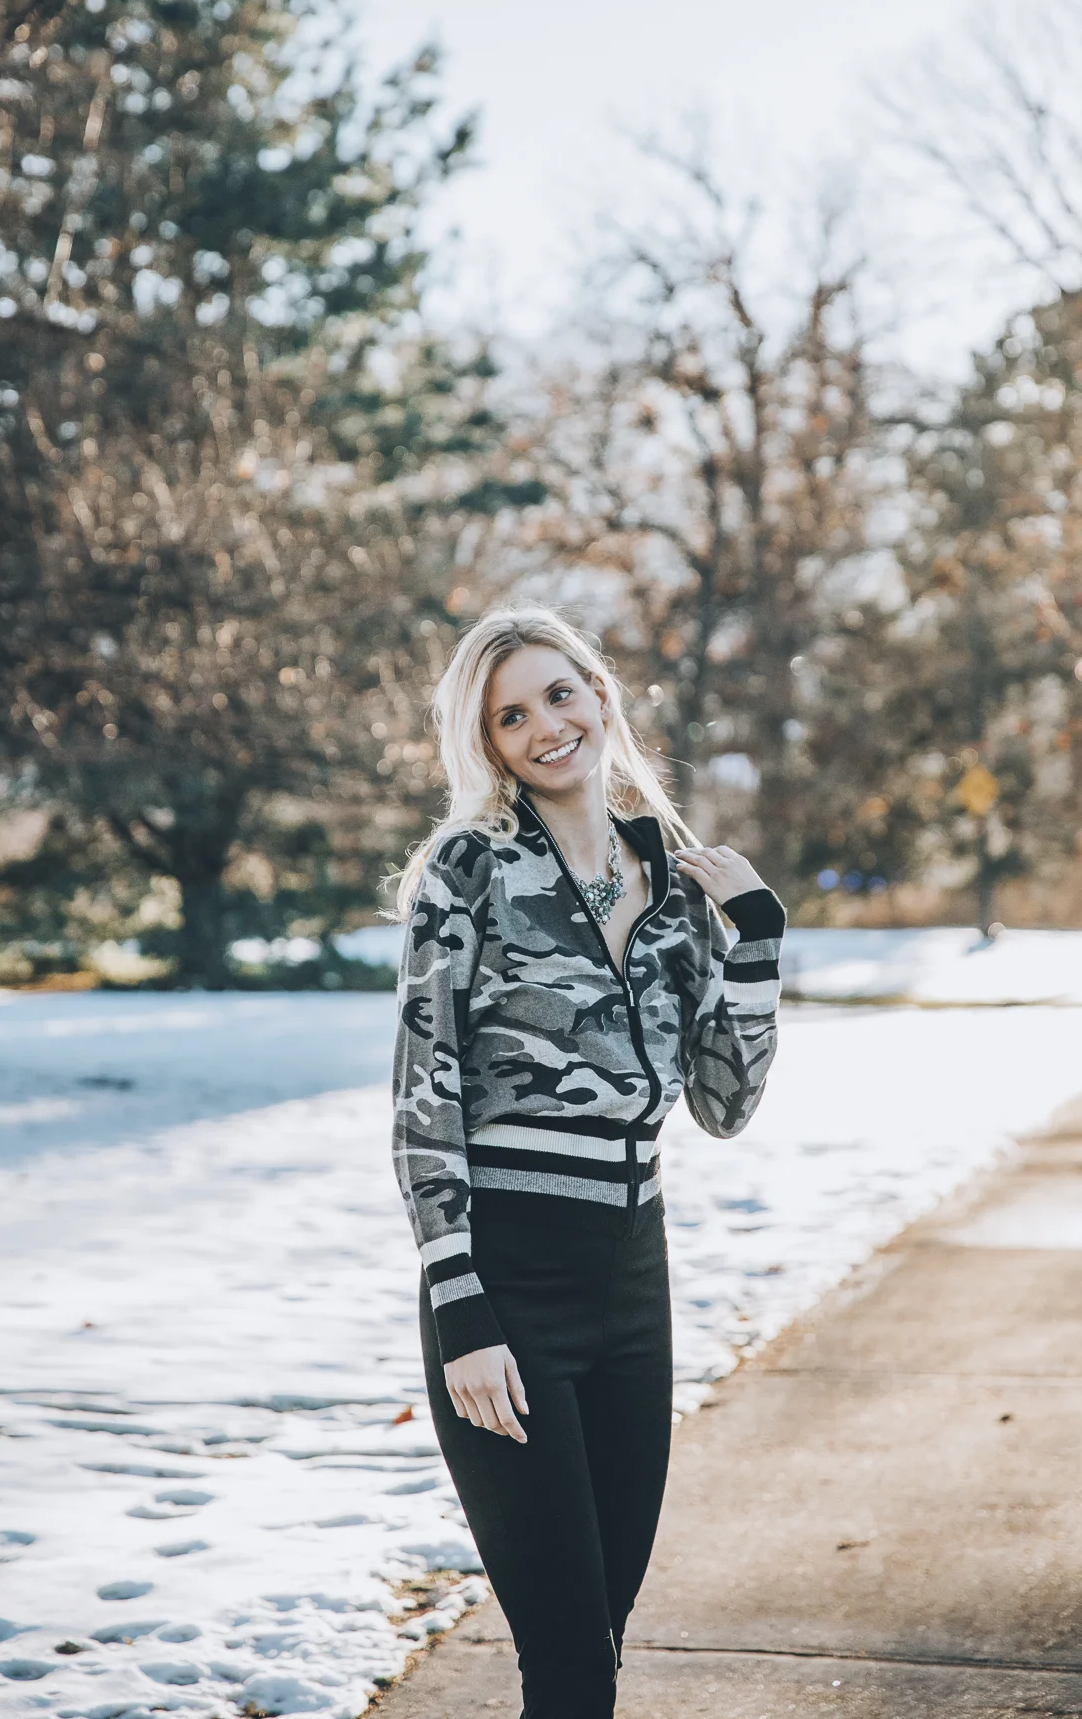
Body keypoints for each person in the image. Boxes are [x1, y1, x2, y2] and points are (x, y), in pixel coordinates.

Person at [390, 603, 785, 1719]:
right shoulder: (467, 870)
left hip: (632, 1277)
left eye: (559, 694)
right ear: (492, 744)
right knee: (563, 1658)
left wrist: (753, 944)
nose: (544, 726)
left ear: (600, 695)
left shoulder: (673, 878)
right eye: (510, 715)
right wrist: (459, 1303)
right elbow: (425, 1094)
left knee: (597, 1637)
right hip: (505, 1282)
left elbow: (721, 1101)